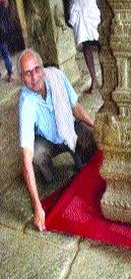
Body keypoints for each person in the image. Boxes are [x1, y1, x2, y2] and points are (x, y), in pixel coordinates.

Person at [18, 48, 97, 232]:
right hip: (48, 141)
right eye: (28, 73)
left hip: (67, 131)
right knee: (36, 153)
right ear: (22, 78)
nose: (35, 77)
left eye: (37, 69)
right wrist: (38, 207)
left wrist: (96, 126)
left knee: (89, 136)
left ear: (43, 68)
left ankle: (79, 163)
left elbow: (75, 107)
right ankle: (51, 181)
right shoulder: (26, 102)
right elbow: (26, 158)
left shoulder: (56, 77)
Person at [68, 0, 101, 93]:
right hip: (79, 7)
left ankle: (106, 75)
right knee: (86, 45)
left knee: (101, 44)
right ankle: (94, 79)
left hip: (92, 8)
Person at [0, 0, 14, 82]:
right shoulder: (3, 9)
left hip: (2, 34)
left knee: (5, 54)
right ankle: (11, 74)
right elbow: (5, 1)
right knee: (6, 55)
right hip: (3, 34)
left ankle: (10, 74)